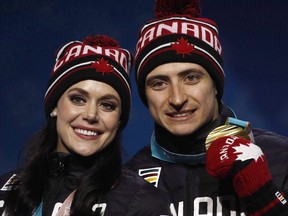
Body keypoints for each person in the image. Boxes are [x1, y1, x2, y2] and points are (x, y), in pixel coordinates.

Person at [125, 0, 288, 215]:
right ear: (145, 95)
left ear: (216, 86)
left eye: (191, 78)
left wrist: (263, 196)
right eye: (159, 83)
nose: (176, 98)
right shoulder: (127, 180)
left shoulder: (280, 157)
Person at [0, 35, 172, 215]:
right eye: (78, 99)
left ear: (119, 120)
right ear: (54, 106)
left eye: (107, 105)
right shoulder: (5, 189)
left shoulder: (142, 201)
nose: (91, 115)